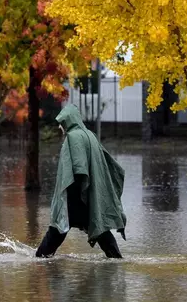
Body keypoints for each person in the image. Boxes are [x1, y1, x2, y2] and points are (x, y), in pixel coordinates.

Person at [36, 105, 127, 259]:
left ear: (68, 121)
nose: (61, 128)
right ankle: (116, 259)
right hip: (89, 193)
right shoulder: (90, 135)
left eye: (62, 124)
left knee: (58, 227)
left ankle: (40, 259)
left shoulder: (73, 137)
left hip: (77, 193)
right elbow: (106, 162)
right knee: (98, 227)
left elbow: (79, 168)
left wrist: (75, 193)